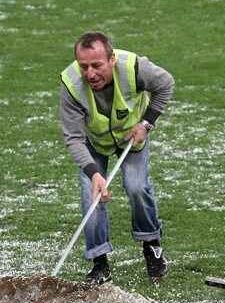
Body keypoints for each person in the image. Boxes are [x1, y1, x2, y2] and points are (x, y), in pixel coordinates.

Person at [59, 31, 174, 285]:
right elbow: (73, 139)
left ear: (111, 59)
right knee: (92, 195)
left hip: (132, 137)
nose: (90, 74)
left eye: (97, 65)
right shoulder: (71, 84)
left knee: (136, 187)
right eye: (84, 66)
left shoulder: (135, 68)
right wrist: (94, 174)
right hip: (93, 142)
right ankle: (99, 264)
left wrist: (147, 124)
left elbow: (165, 83)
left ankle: (152, 246)